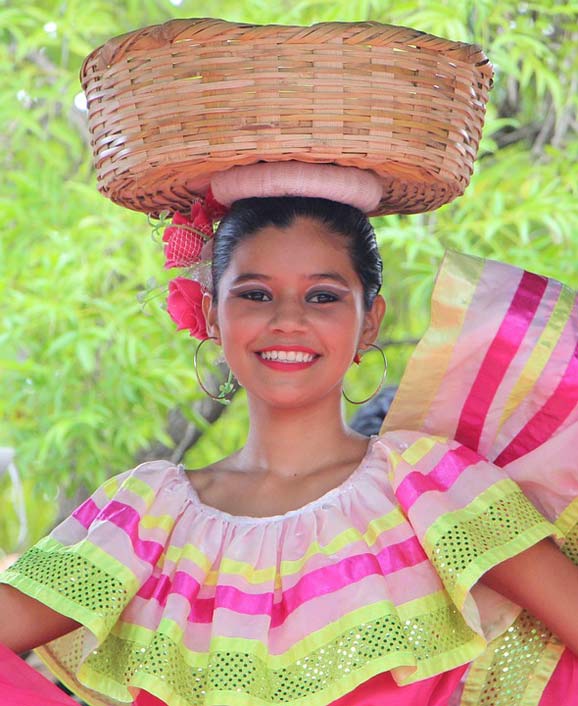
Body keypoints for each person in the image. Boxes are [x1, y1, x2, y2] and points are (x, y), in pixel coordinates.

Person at [2, 16, 578, 706]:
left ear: (371, 322)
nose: (288, 321)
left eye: (324, 295)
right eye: (254, 293)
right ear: (212, 316)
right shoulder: (145, 516)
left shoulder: (429, 489)